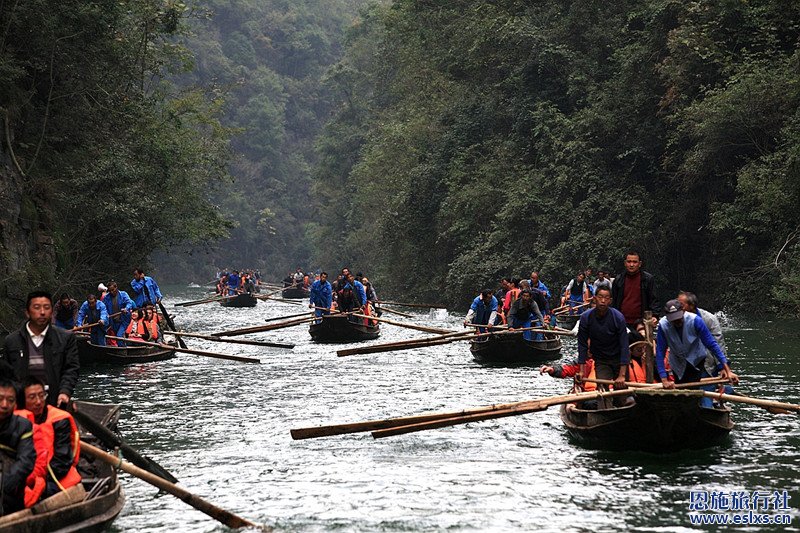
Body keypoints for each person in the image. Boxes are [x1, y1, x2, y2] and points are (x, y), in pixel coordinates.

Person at [1, 291, 79, 408]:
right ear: (27, 312)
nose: (42, 312)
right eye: (37, 308)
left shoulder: (66, 338)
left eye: (46, 308)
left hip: (55, 402)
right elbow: (7, 376)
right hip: (21, 405)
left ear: (52, 311)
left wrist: (65, 392)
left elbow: (71, 369)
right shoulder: (11, 341)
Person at [15, 376, 81, 506]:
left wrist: (37, 482)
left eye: (42, 396)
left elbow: (61, 461)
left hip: (56, 479)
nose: (38, 402)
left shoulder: (59, 420)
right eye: (32, 397)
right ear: (23, 400)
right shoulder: (14, 419)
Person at [655, 300, 738, 392]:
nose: (677, 321)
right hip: (677, 361)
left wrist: (727, 370)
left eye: (679, 318)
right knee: (681, 389)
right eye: (673, 320)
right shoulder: (663, 325)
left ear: (683, 311)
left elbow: (712, 344)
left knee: (693, 389)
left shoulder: (695, 320)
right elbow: (660, 352)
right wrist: (664, 379)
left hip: (696, 358)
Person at [577, 286, 630, 396]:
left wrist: (622, 375)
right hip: (601, 359)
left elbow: (624, 346)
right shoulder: (586, 318)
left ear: (610, 301)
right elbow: (582, 345)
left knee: (622, 394)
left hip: (618, 358)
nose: (603, 301)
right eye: (600, 297)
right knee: (602, 391)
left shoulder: (618, 318)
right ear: (594, 298)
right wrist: (581, 371)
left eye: (606, 298)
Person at [0, 379, 36, 515]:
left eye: (10, 400)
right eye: (0, 399)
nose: (5, 405)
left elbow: (26, 461)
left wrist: (3, 487)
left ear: (15, 404)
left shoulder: (23, 426)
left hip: (9, 493)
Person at [611, 250, 659, 327]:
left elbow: (653, 300)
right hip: (621, 322)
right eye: (629, 261)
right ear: (625, 263)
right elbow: (613, 301)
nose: (632, 264)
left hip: (642, 322)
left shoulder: (648, 279)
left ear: (640, 264)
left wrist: (655, 315)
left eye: (635, 262)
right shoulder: (618, 279)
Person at [102, 282, 134, 347]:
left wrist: (126, 308)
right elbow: (103, 308)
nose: (111, 292)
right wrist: (105, 315)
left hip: (124, 320)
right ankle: (123, 347)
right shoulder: (106, 297)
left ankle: (122, 351)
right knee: (118, 336)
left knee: (119, 336)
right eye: (109, 290)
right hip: (113, 321)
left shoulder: (123, 294)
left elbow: (129, 303)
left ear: (116, 287)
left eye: (112, 290)